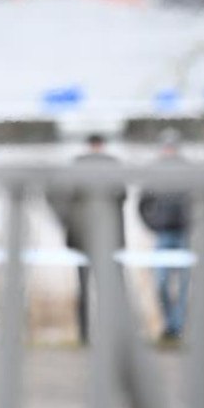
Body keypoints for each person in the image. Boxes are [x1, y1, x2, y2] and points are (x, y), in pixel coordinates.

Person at [47, 133, 125, 344]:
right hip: (99, 237)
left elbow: (54, 194)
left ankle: (89, 335)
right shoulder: (112, 166)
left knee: (93, 289)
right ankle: (98, 334)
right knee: (103, 289)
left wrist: (66, 220)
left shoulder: (78, 166)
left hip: (91, 236)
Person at [138, 127, 190, 341]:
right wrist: (154, 224)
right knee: (161, 283)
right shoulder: (153, 172)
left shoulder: (189, 172)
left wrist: (192, 224)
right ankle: (170, 325)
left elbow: (200, 203)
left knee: (185, 286)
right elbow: (143, 205)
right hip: (163, 235)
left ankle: (178, 327)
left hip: (185, 235)